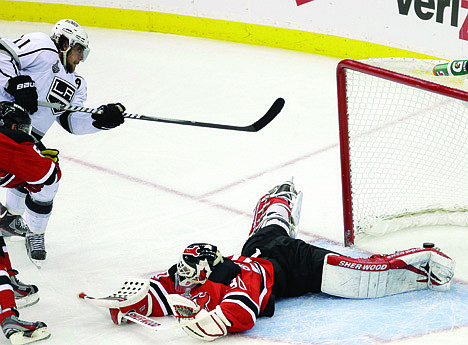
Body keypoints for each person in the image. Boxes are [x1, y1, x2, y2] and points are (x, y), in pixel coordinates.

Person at [97, 179, 455, 341]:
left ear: (207, 267)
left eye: (191, 271)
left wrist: (215, 322)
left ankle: (422, 262)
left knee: (362, 277)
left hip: (296, 265)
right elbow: (167, 285)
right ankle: (281, 196)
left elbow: (244, 311)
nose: (185, 277)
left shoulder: (237, 274)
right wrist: (135, 302)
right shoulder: (197, 270)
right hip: (260, 245)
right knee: (270, 223)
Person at [0, 19, 126, 264]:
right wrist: (14, 83)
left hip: (26, 139)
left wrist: (100, 120)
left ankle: (23, 225)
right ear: (65, 43)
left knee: (46, 178)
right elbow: (2, 53)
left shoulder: (76, 84)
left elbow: (71, 120)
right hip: (3, 121)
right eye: (79, 50)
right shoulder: (42, 46)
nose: (80, 58)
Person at [0, 101, 57, 344]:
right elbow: (47, 175)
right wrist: (41, 159)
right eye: (22, 129)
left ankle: (9, 283)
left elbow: (8, 176)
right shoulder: (5, 141)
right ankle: (8, 319)